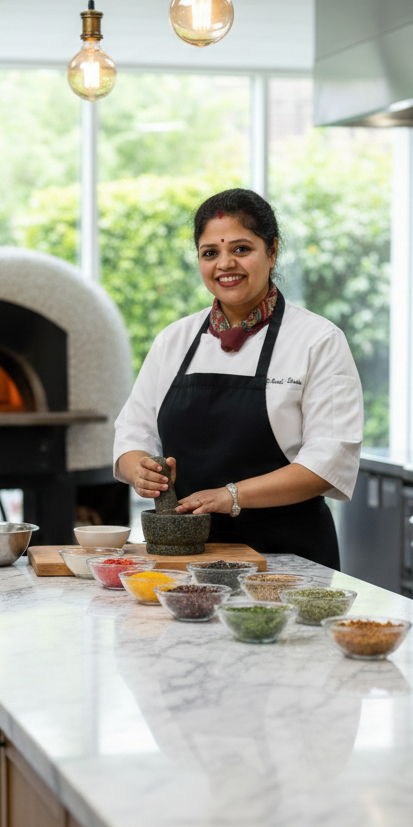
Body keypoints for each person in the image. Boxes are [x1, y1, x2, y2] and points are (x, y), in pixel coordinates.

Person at [113, 188, 363, 568]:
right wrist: (139, 469)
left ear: (272, 251)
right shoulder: (174, 340)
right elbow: (134, 431)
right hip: (188, 561)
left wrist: (230, 495)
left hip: (288, 561)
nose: (225, 264)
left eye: (241, 249)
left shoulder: (318, 340)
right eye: (210, 253)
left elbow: (327, 461)